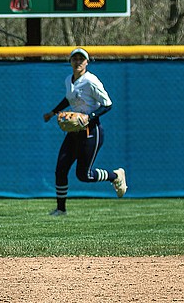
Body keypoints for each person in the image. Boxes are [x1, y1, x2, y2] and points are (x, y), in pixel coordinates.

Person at [42, 47, 127, 216]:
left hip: (91, 131)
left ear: (87, 62)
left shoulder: (91, 80)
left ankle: (115, 176)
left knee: (84, 175)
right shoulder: (69, 80)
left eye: (82, 59)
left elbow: (108, 104)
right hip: (74, 132)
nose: (78, 62)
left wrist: (90, 116)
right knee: (61, 169)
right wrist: (53, 112)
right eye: (75, 59)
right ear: (70, 62)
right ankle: (61, 209)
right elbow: (69, 98)